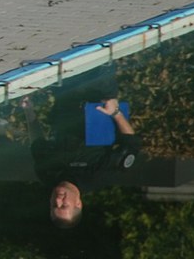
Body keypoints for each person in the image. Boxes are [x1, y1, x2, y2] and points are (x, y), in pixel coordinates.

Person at [22, 69, 141, 228]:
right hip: (98, 92)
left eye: (54, 205)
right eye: (64, 205)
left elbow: (37, 142)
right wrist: (116, 113)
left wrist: (29, 111)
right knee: (95, 53)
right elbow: (132, 145)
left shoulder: (46, 173)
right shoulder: (99, 175)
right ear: (78, 203)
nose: (58, 200)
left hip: (65, 94)